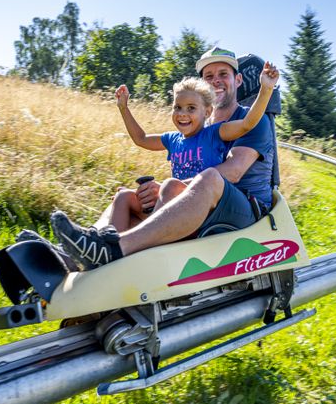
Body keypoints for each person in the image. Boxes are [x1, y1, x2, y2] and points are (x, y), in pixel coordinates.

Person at [51, 46, 278, 271]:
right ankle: (82, 253)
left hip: (245, 212)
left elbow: (232, 172)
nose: (216, 81)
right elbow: (141, 139)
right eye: (209, 76)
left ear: (238, 80)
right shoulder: (196, 128)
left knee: (206, 178)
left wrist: (266, 90)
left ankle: (116, 249)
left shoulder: (251, 121)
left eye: (223, 75)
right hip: (204, 205)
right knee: (127, 197)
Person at [107, 62, 278, 231]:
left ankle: (146, 239)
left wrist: (266, 90)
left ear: (207, 112)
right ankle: (105, 243)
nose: (183, 114)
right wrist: (123, 108)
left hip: (198, 207)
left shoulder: (213, 134)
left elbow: (247, 124)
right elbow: (141, 138)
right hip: (174, 201)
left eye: (191, 108)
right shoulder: (172, 139)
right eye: (178, 107)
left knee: (168, 187)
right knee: (123, 197)